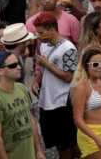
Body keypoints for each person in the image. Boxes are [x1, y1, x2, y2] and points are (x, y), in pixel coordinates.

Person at [30, 12, 77, 159]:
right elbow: (42, 69)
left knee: (67, 143)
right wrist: (36, 80)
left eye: (41, 32)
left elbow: (69, 77)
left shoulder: (69, 48)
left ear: (52, 29)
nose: (39, 36)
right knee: (56, 141)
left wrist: (48, 65)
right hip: (47, 101)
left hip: (62, 102)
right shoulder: (44, 45)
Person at [0, 49, 40, 159]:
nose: (19, 67)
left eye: (18, 63)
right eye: (13, 65)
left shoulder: (21, 88)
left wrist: (38, 151)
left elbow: (31, 120)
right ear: (0, 71)